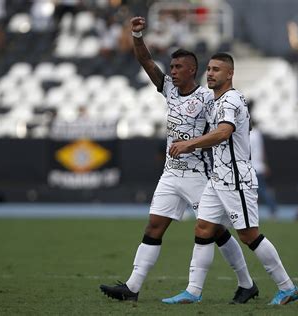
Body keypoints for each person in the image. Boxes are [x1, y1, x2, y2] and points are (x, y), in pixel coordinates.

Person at [100, 17, 256, 304]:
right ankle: (132, 288)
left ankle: (247, 283)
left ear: (192, 70)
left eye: (177, 67)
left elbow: (224, 128)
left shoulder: (210, 99)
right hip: (171, 174)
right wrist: (136, 34)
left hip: (200, 174)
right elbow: (146, 60)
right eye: (170, 67)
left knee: (218, 232)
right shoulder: (168, 89)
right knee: (154, 226)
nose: (171, 71)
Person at [163, 53, 298, 305]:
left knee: (249, 235)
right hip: (218, 178)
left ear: (230, 74)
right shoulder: (217, 101)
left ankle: (287, 287)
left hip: (236, 179)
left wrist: (189, 144)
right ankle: (193, 291)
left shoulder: (231, 100)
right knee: (203, 229)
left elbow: (224, 132)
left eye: (217, 69)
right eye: (210, 69)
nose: (211, 73)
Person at [250, 118, 277, 218]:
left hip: (250, 166)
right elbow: (262, 151)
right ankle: (273, 209)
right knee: (263, 190)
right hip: (259, 166)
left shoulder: (247, 134)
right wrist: (265, 165)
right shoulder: (257, 133)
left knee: (253, 191)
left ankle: (253, 213)